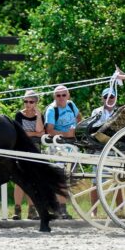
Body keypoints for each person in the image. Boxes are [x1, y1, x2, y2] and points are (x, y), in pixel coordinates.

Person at [45, 85, 82, 219]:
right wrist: (66, 133)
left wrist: (76, 129)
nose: (61, 98)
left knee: (69, 177)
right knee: (61, 177)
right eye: (58, 95)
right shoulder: (51, 110)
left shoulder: (71, 105)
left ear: (68, 96)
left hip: (72, 144)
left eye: (63, 95)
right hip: (58, 145)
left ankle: (61, 208)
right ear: (54, 97)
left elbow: (79, 117)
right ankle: (61, 209)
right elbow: (49, 130)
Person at [89, 86, 121, 216]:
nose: (109, 99)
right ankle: (94, 211)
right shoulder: (97, 112)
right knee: (96, 181)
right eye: (106, 97)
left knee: (118, 181)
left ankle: (120, 210)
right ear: (102, 99)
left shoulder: (120, 111)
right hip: (99, 149)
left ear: (115, 98)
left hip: (116, 150)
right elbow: (93, 129)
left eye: (112, 96)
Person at [13, 90, 45, 220]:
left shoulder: (40, 115)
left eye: (31, 102)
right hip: (21, 149)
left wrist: (37, 116)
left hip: (35, 150)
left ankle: (32, 210)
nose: (27, 104)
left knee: (33, 180)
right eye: (25, 101)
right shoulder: (19, 115)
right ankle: (17, 209)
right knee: (20, 181)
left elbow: (41, 131)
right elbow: (21, 133)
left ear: (36, 103)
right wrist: (36, 134)